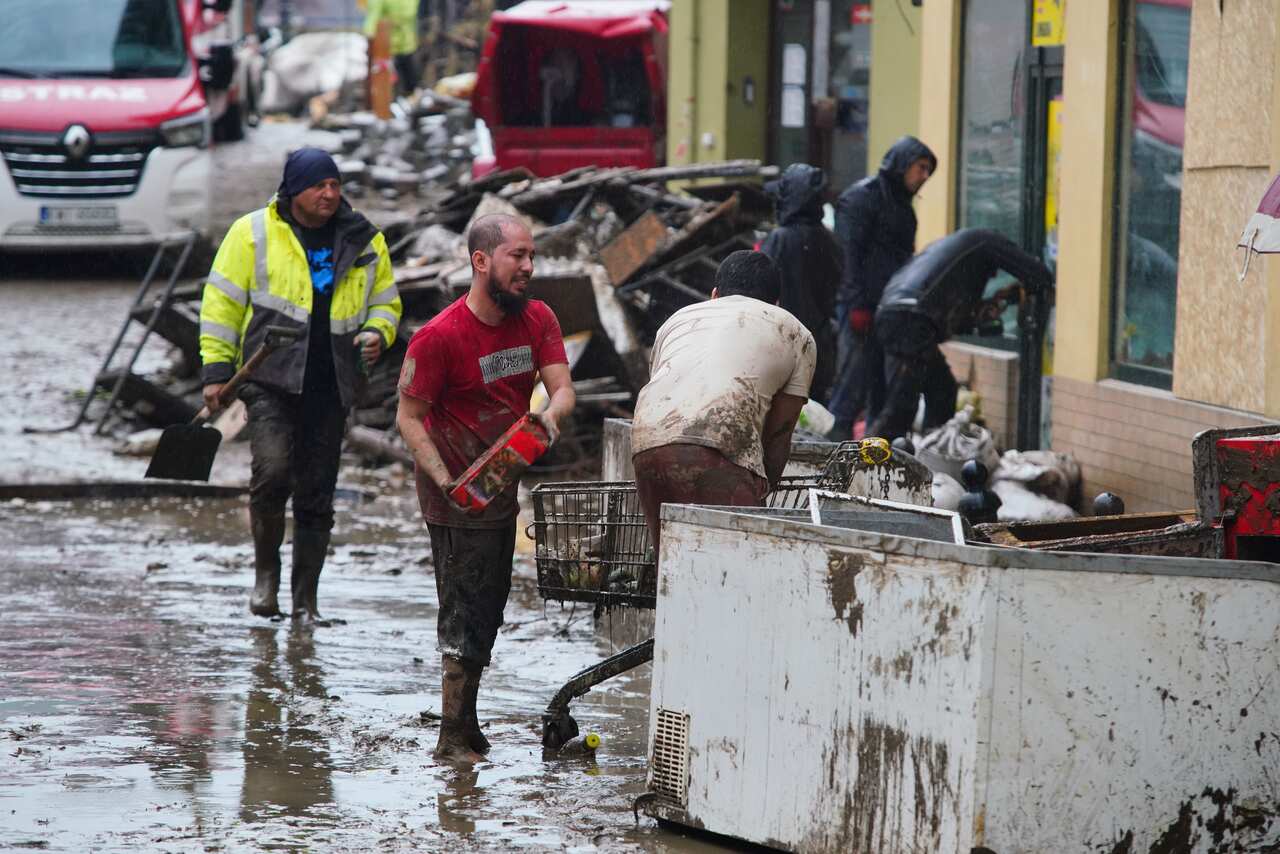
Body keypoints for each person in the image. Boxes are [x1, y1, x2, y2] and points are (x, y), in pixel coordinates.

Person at [395, 213, 576, 764]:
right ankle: (451, 737)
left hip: (500, 483)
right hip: (454, 492)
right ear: (481, 261)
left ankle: (467, 722)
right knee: (462, 606)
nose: (527, 267)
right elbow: (408, 416)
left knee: (490, 604)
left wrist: (548, 418)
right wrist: (445, 478)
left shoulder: (537, 318)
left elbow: (563, 388)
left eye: (531, 257)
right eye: (516, 256)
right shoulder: (439, 337)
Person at [199, 148, 402, 623]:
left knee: (317, 493)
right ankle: (265, 574)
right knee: (272, 473)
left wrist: (377, 332)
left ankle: (305, 601)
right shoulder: (251, 233)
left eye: (335, 184)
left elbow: (387, 303)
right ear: (293, 191)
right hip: (268, 378)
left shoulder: (364, 239)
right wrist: (215, 371)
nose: (330, 194)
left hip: (331, 383)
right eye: (319, 186)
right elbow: (221, 305)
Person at [630, 251, 816, 549]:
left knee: (669, 562)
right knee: (739, 563)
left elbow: (666, 390)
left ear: (714, 295)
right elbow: (780, 432)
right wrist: (765, 485)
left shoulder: (677, 319)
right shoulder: (794, 331)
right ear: (776, 303)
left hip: (647, 442)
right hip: (721, 441)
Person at [867, 228, 1054, 441]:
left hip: (897, 314)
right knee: (900, 407)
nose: (993, 275)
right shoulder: (986, 242)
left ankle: (934, 450)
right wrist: (1036, 288)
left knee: (942, 391)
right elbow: (1039, 275)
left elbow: (949, 312)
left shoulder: (955, 253)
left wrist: (982, 311)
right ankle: (862, 465)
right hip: (909, 320)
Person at [828, 135, 937, 440]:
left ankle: (870, 457)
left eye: (929, 170)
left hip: (888, 311)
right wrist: (856, 303)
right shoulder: (862, 198)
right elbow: (849, 255)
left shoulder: (903, 208)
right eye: (921, 168)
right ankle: (831, 449)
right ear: (902, 164)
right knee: (852, 381)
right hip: (861, 306)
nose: (924, 177)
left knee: (879, 383)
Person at [759, 163, 842, 402]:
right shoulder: (829, 239)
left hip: (781, 343)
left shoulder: (780, 239)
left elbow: (760, 289)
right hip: (820, 346)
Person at [363, 0, 421, 96]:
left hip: (407, 45)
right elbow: (373, 16)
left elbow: (413, 18)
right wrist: (370, 37)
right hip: (387, 48)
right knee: (389, 86)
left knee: (411, 84)